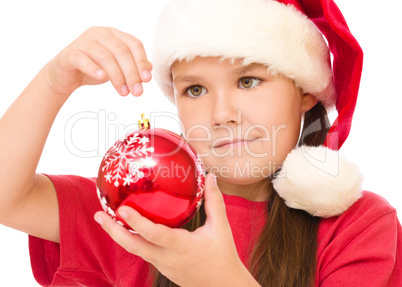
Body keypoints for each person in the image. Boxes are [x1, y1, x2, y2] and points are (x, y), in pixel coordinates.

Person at [0, 0, 400, 286]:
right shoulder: (135, 213)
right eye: (194, 90)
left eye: (248, 81)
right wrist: (56, 80)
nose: (222, 114)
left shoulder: (358, 226)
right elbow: (7, 197)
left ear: (306, 91)